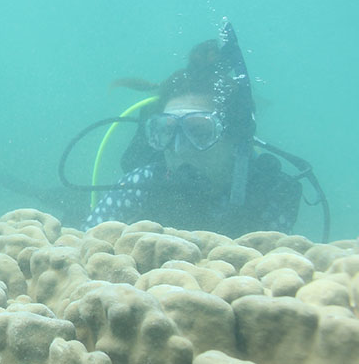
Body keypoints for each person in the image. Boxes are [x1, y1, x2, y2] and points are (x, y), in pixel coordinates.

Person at [82, 24, 303, 236]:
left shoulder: (267, 194)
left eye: (199, 132)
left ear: (235, 138)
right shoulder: (144, 182)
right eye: (166, 131)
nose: (179, 148)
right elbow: (90, 240)